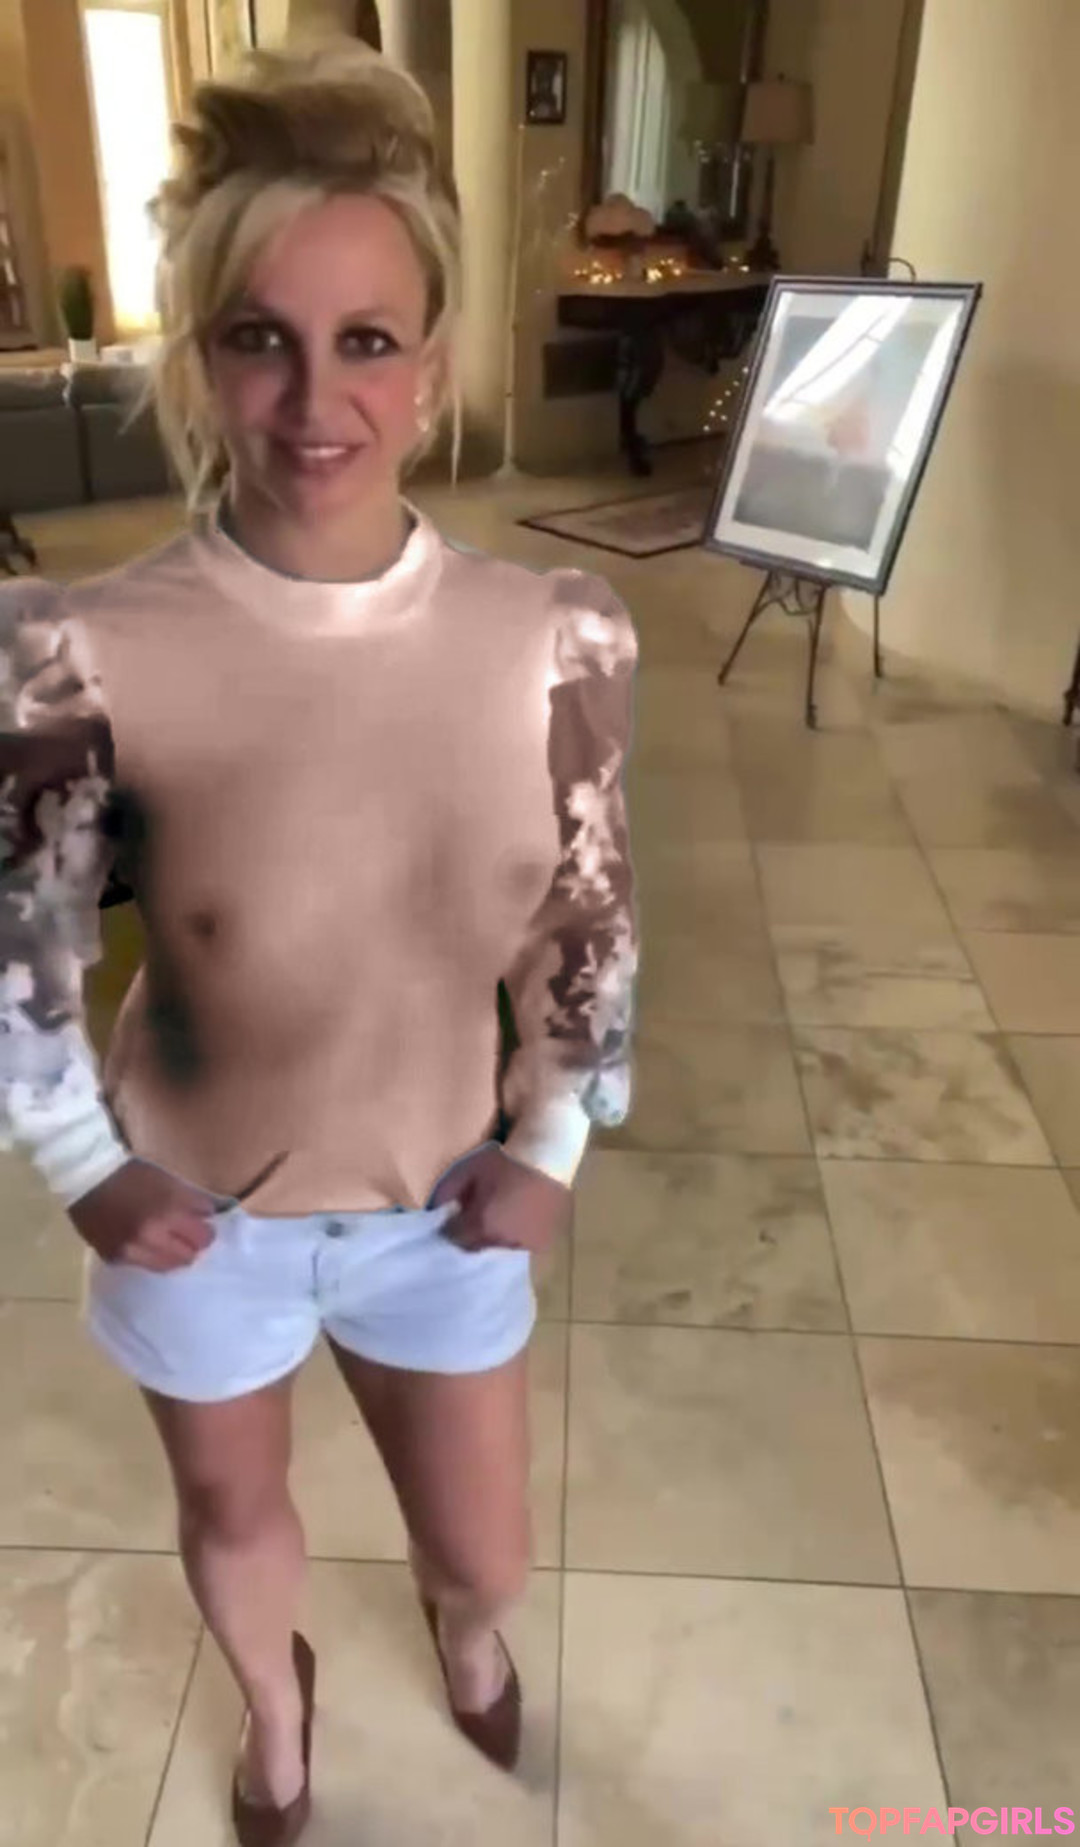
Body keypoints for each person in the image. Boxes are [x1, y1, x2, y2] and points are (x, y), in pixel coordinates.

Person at [0, 40, 637, 1847]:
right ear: (201, 360)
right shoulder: (76, 650)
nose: (313, 399)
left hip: (445, 1206)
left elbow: (589, 916)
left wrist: (551, 1143)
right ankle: (277, 1715)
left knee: (489, 1547)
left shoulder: (557, 636)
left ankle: (464, 1625)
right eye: (258, 338)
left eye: (365, 340)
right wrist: (81, 1167)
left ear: (431, 366)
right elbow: (24, 951)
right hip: (198, 1213)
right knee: (234, 1522)